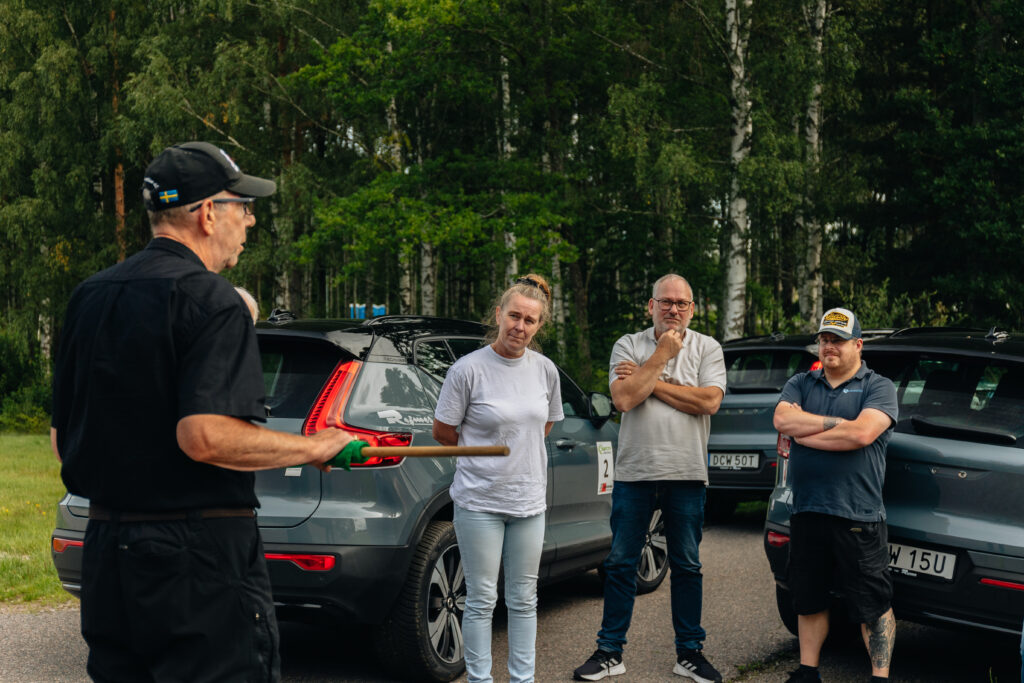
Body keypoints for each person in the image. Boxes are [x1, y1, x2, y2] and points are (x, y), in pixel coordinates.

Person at [49, 141, 353, 683]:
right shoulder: (211, 300)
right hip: (196, 561)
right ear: (209, 213)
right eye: (242, 206)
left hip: (108, 555)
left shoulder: (89, 297)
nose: (250, 220)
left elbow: (59, 440)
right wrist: (316, 446)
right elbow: (205, 436)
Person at [573, 274, 726, 683]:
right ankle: (610, 653)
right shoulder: (628, 344)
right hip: (635, 472)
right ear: (650, 305)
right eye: (665, 302)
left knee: (687, 565)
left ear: (692, 308)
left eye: (682, 303)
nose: (673, 309)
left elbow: (709, 401)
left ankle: (690, 653)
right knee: (621, 563)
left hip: (687, 471)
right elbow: (623, 398)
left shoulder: (707, 347)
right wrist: (661, 356)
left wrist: (648, 381)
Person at [432, 274, 563, 683]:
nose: (520, 327)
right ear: (498, 314)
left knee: (524, 599)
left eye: (530, 320)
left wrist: (517, 452)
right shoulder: (468, 369)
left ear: (539, 325)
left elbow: (543, 426)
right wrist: (486, 455)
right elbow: (443, 431)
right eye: (513, 316)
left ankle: (522, 679)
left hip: (528, 503)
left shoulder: (545, 370)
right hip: (479, 502)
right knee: (482, 600)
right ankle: (480, 679)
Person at [772, 307, 899, 683]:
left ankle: (879, 676)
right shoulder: (801, 383)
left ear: (858, 345)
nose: (829, 346)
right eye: (825, 339)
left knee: (872, 605)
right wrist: (841, 426)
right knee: (809, 597)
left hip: (857, 514)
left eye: (838, 340)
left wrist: (805, 432)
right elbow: (782, 421)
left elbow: (861, 435)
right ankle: (808, 671)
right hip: (808, 509)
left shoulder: (879, 386)